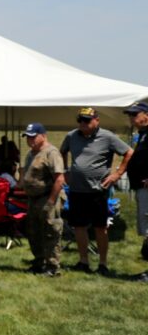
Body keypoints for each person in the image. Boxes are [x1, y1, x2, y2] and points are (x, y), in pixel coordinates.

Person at [60, 107, 132, 275]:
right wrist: (66, 171)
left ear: (96, 120)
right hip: (77, 189)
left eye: (87, 120)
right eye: (80, 120)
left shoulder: (107, 136)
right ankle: (83, 261)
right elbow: (62, 151)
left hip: (98, 190)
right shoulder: (72, 136)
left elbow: (129, 152)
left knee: (100, 227)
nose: (83, 124)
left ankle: (103, 263)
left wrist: (117, 174)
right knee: (79, 226)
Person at [19, 123, 65, 276]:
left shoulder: (51, 153)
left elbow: (59, 179)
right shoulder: (31, 153)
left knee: (51, 231)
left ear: (43, 136)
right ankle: (39, 261)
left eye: (33, 136)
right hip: (33, 199)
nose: (30, 140)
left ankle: (52, 266)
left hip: (47, 197)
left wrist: (51, 202)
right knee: (34, 231)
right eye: (28, 137)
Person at [123, 102, 148, 282]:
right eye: (130, 115)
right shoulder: (143, 135)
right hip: (141, 188)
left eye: (135, 114)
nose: (131, 118)